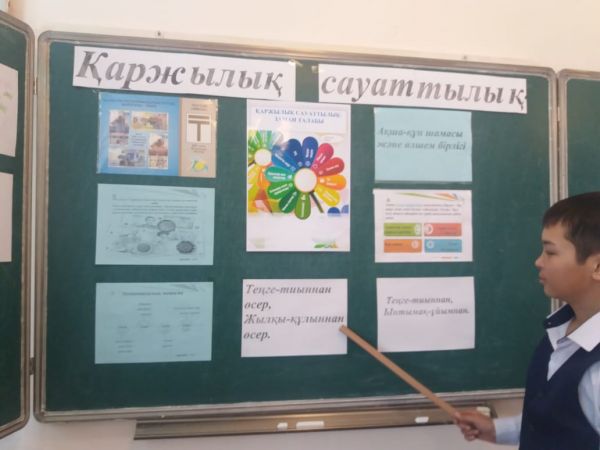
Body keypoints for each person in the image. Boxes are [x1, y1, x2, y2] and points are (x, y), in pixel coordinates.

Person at [455, 192, 600, 449]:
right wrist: (498, 430)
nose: (538, 261)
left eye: (550, 252)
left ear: (597, 267)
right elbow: (557, 422)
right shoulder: (559, 330)